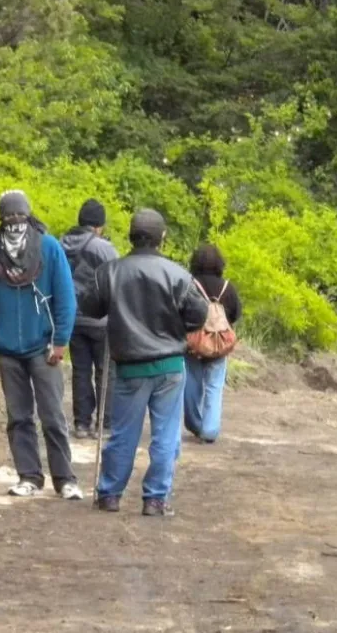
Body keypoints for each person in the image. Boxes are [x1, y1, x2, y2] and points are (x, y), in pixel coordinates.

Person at [81, 209, 208, 516]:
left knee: (124, 433)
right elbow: (199, 314)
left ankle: (110, 494)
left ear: (131, 236)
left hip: (129, 366)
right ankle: (155, 499)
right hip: (169, 365)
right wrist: (177, 327)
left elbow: (90, 307)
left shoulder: (110, 272)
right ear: (162, 238)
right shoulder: (178, 274)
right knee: (165, 436)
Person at [0, 190, 84, 500]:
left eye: (19, 216)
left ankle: (65, 479)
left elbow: (66, 297)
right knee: (18, 417)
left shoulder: (49, 248)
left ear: (29, 217)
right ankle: (29, 477)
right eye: (9, 218)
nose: (15, 223)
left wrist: (60, 340)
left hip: (44, 347)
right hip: (7, 349)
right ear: (1, 220)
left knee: (52, 415)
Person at [59, 199, 120, 440]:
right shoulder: (104, 248)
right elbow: (118, 280)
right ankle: (104, 424)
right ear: (98, 226)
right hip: (101, 320)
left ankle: (81, 423)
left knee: (80, 371)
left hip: (72, 319)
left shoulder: (61, 244)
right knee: (106, 372)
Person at [183, 244, 242, 444]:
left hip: (193, 344)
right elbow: (235, 314)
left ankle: (194, 424)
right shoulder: (227, 287)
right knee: (214, 387)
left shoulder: (189, 285)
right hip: (219, 345)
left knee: (191, 385)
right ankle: (210, 430)